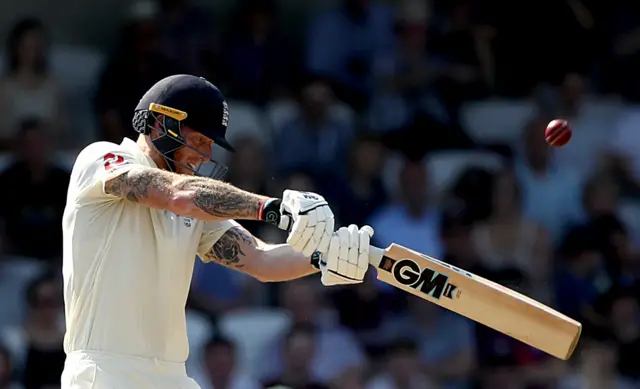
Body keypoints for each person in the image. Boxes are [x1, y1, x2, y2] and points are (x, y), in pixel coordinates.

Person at [60, 74, 373, 389]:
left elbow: (261, 260)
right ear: (160, 126)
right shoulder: (101, 159)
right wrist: (275, 209)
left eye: (210, 145)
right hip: (105, 370)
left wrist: (326, 256)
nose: (205, 155)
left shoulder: (194, 210)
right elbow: (177, 194)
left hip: (170, 375)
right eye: (198, 141)